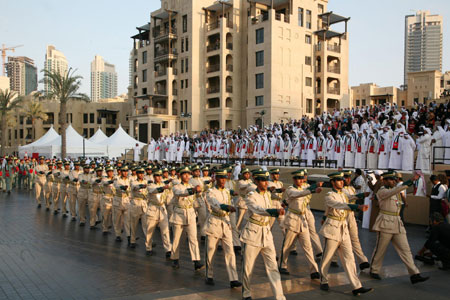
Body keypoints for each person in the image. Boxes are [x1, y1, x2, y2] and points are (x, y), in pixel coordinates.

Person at [370, 171, 429, 284]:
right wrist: (410, 181)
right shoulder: (382, 191)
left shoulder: (395, 191)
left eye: (394, 179)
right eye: (391, 179)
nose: (394, 181)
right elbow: (394, 191)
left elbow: (397, 193)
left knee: (405, 250)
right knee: (380, 249)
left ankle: (414, 274)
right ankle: (374, 270)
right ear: (385, 180)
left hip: (397, 222)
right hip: (386, 222)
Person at [319, 172, 372, 295]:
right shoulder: (329, 196)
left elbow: (350, 198)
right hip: (332, 228)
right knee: (327, 257)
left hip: (343, 228)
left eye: (343, 180)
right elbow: (338, 205)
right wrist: (355, 207)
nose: (342, 182)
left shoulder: (344, 194)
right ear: (333, 182)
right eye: (339, 180)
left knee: (349, 258)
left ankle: (356, 286)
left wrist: (361, 196)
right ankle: (324, 280)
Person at [241, 170, 286, 300]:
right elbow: (257, 209)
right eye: (262, 180)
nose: (265, 183)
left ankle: (280, 296)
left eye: (266, 180)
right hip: (252, 233)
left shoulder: (267, 194)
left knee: (273, 266)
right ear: (256, 181)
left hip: (266, 233)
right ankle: (246, 292)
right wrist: (273, 211)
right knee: (248, 267)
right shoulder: (250, 196)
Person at [278, 169, 322, 278]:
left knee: (308, 247)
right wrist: (313, 188)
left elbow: (300, 197)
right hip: (292, 219)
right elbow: (298, 194)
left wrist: (285, 202)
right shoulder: (290, 189)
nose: (301, 180)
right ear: (294, 179)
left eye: (302, 178)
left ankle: (314, 270)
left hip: (302, 220)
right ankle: (282, 265)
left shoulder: (304, 188)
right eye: (298, 178)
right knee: (287, 246)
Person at [204, 169, 242, 288]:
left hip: (225, 223)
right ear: (216, 179)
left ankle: (233, 278)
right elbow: (214, 203)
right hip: (214, 222)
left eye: (225, 178)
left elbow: (229, 201)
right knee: (210, 251)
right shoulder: (210, 191)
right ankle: (209, 275)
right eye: (221, 178)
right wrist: (226, 207)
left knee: (230, 252)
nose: (223, 180)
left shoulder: (226, 191)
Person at [170, 166, 204, 271]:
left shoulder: (191, 185)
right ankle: (175, 258)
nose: (187, 176)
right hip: (179, 214)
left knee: (193, 238)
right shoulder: (176, 186)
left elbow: (195, 198)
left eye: (188, 174)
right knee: (176, 239)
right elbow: (180, 193)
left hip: (190, 213)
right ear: (180, 175)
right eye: (184, 174)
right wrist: (193, 190)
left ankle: (196, 260)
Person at [342, 170, 371, 270]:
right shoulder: (340, 190)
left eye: (349, 177)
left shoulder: (351, 188)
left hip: (351, 215)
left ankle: (362, 260)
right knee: (336, 241)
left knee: (355, 239)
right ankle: (333, 259)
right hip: (341, 216)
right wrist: (361, 195)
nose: (348, 179)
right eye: (346, 177)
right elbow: (348, 198)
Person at [145, 169, 172, 257]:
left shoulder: (165, 185)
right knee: (150, 230)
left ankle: (168, 249)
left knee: (165, 230)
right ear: (154, 177)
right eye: (157, 176)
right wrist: (162, 188)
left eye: (160, 176)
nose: (159, 177)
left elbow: (168, 196)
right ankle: (148, 247)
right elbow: (153, 191)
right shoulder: (150, 185)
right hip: (153, 208)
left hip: (162, 208)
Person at [113, 166, 131, 242]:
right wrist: (122, 187)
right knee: (117, 219)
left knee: (127, 219)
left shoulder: (129, 180)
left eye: (126, 171)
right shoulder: (117, 179)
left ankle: (128, 235)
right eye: (123, 171)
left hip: (126, 200)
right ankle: (118, 234)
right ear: (120, 171)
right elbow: (116, 186)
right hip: (118, 200)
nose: (125, 173)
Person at [101, 166, 116, 234]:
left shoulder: (116, 179)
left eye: (111, 171)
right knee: (106, 214)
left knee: (114, 215)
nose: (110, 173)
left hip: (114, 198)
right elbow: (106, 183)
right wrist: (112, 180)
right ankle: (105, 228)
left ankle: (116, 229)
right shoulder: (104, 179)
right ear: (107, 173)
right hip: (106, 198)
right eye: (109, 172)